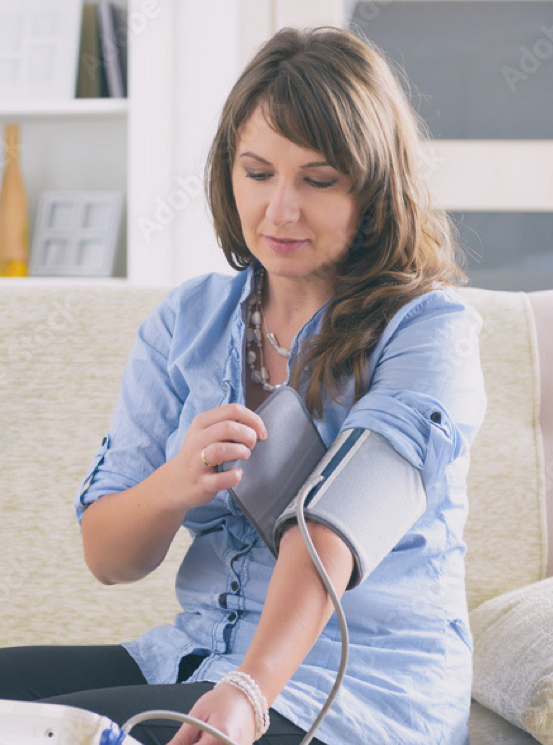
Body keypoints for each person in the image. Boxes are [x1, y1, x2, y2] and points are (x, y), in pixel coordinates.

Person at [0, 25, 487, 745]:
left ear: (374, 188)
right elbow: (107, 555)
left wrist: (249, 688)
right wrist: (175, 483)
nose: (279, 209)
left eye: (317, 180)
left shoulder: (427, 329)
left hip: (363, 690)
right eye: (257, 173)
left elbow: (334, 525)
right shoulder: (187, 322)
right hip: (194, 655)